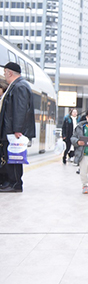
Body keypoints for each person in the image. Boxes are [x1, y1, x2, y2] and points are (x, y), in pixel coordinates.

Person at [0, 62, 36, 193]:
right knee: (9, 156)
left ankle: (15, 183)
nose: (4, 75)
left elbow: (20, 109)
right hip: (10, 130)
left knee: (14, 157)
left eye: (5, 73)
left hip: (13, 131)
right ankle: (9, 182)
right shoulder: (17, 85)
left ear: (10, 73)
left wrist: (17, 129)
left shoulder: (20, 86)